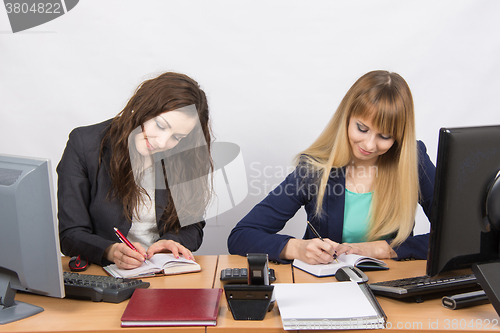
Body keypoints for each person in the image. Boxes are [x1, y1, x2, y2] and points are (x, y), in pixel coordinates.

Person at [228, 70, 436, 265]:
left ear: (399, 137)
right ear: (346, 119)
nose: (370, 145)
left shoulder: (413, 161)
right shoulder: (314, 170)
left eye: (384, 136)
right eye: (362, 129)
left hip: (396, 287)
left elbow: (459, 235)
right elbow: (242, 235)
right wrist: (297, 248)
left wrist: (386, 249)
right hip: (330, 287)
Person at [58, 72, 213, 269]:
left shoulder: (184, 155)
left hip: (163, 271)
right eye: (160, 126)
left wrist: (170, 243)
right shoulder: (84, 144)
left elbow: (192, 225)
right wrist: (110, 251)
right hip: (105, 273)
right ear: (142, 107)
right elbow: (71, 234)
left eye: (177, 137)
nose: (163, 142)